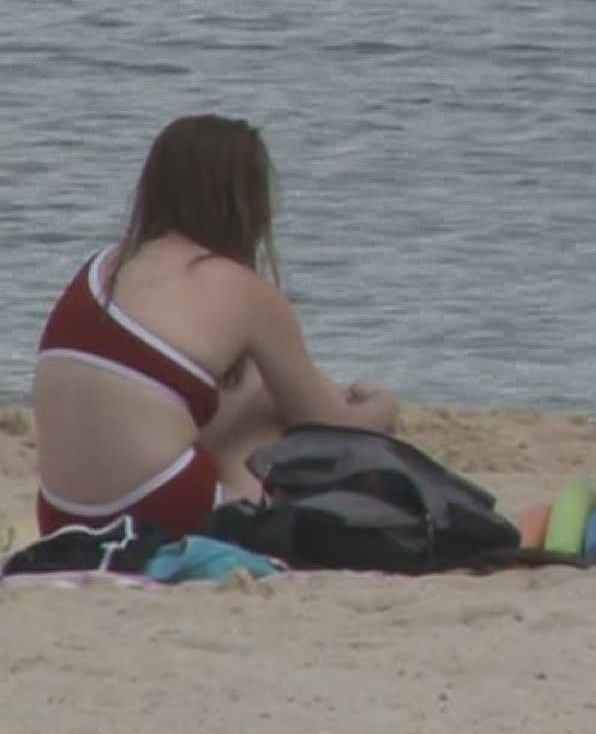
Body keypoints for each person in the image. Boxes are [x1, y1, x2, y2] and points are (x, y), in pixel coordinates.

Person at [31, 114, 400, 539]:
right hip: (159, 506)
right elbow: (328, 424)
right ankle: (246, 497)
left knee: (253, 391)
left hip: (62, 518)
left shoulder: (104, 267)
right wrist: (382, 404)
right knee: (269, 416)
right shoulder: (244, 291)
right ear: (246, 202)